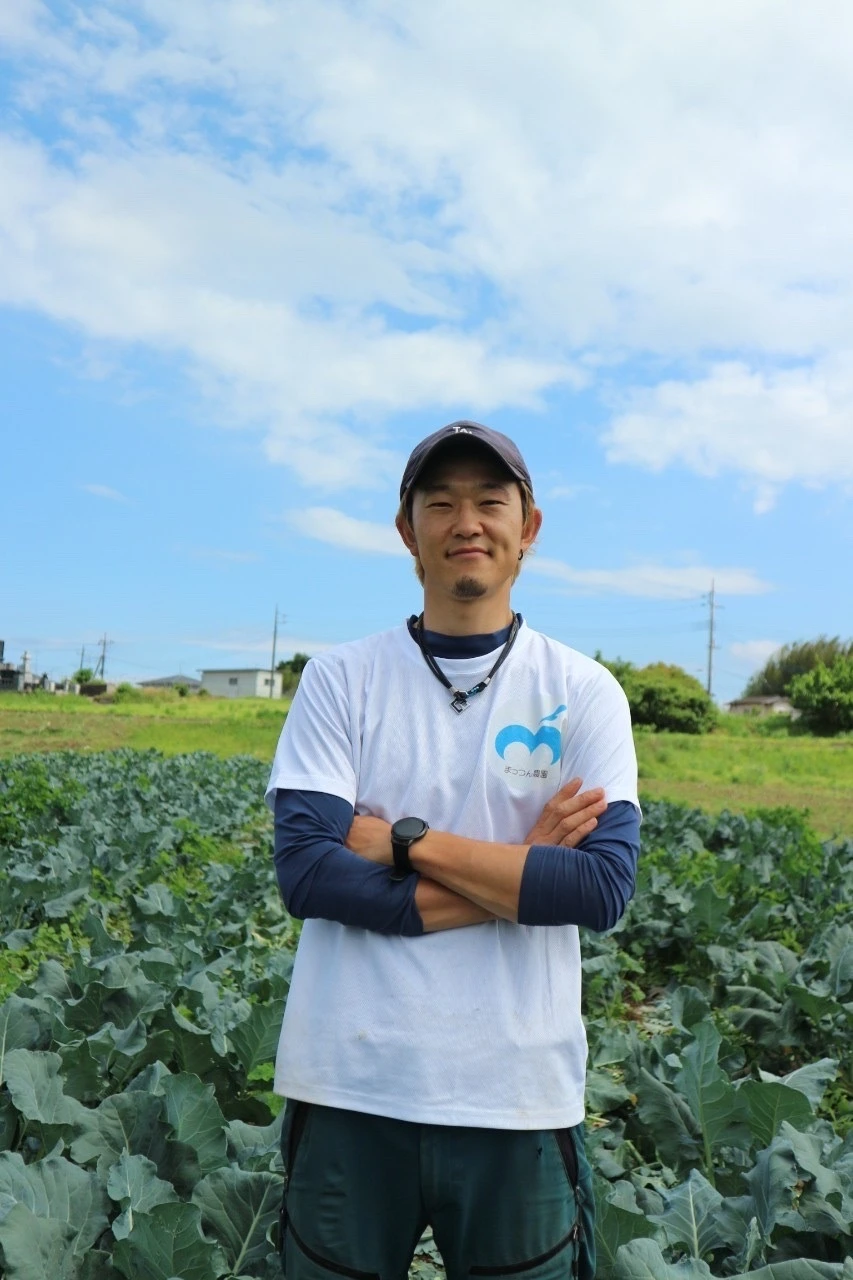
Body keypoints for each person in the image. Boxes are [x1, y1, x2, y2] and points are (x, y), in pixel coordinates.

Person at [266, 420, 641, 1280]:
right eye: (440, 503)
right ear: (408, 532)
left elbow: (598, 889)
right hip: (349, 1084)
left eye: (488, 501)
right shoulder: (340, 680)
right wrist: (518, 872)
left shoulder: (582, 690)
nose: (464, 521)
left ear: (528, 527)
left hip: (516, 1092)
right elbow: (310, 874)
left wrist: (405, 843)